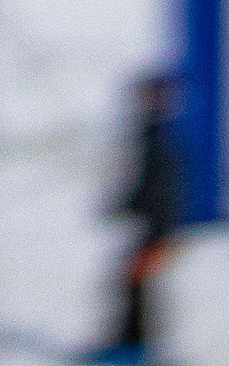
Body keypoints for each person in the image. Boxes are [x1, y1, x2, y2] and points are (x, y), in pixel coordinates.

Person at [87, 67, 185, 359]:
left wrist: (131, 206)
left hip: (157, 225)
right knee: (133, 283)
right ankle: (132, 343)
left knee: (133, 283)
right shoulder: (154, 132)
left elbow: (156, 185)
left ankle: (132, 346)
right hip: (154, 224)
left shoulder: (159, 135)